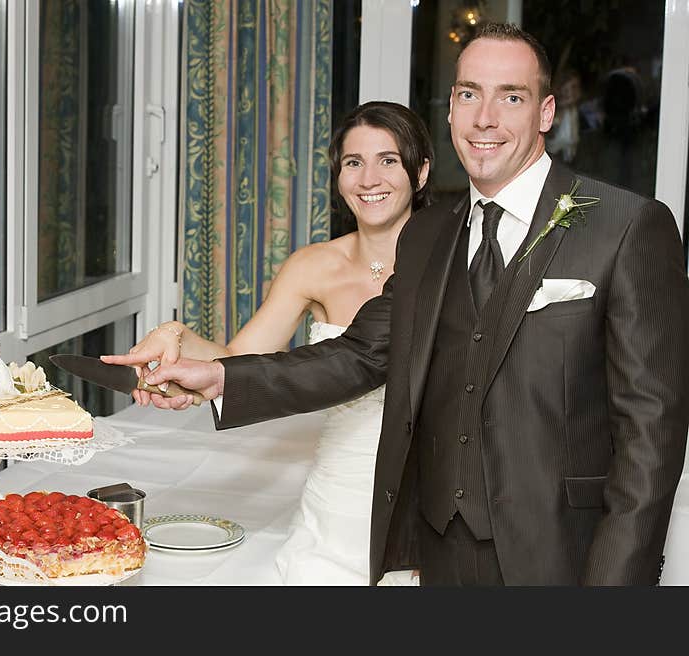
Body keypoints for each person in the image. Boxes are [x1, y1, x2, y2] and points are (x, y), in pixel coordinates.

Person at [109, 22, 689, 586]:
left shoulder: (627, 225)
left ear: (544, 112)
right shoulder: (430, 232)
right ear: (452, 109)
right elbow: (358, 356)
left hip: (557, 555)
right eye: (468, 94)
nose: (485, 118)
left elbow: (651, 436)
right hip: (436, 553)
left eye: (510, 96)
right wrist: (215, 376)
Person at [112, 101, 434, 585]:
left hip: (425, 493)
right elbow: (243, 359)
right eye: (353, 162)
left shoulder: (452, 260)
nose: (369, 178)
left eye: (388, 160)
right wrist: (176, 337)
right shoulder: (312, 266)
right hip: (339, 492)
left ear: (421, 171)